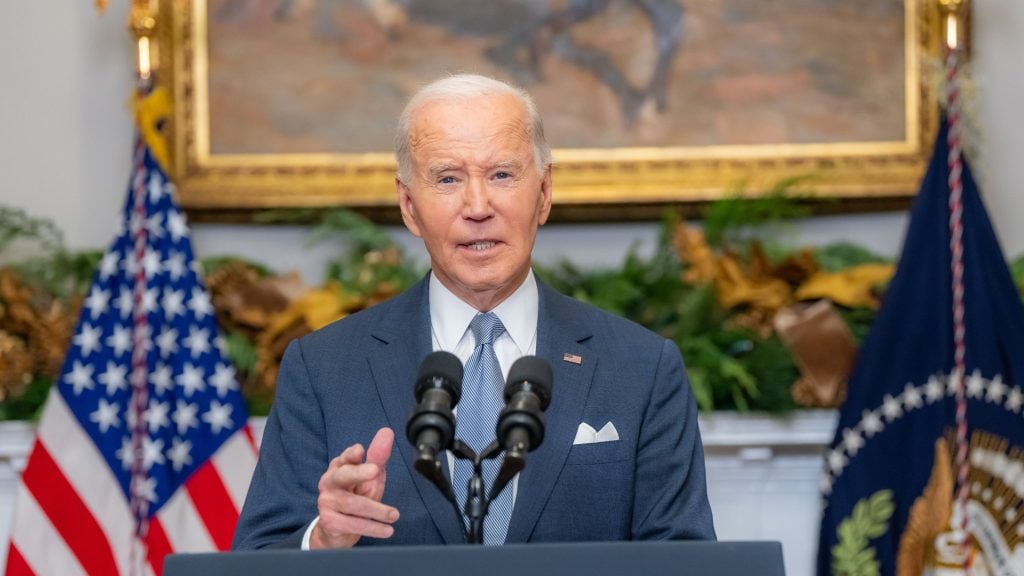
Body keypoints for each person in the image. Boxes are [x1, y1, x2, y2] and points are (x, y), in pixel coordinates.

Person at [232, 73, 716, 550]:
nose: (478, 206)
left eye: (502, 174)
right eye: (447, 178)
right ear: (408, 205)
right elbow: (259, 556)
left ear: (544, 193)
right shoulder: (322, 368)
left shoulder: (642, 368)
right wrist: (324, 539)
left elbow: (687, 558)